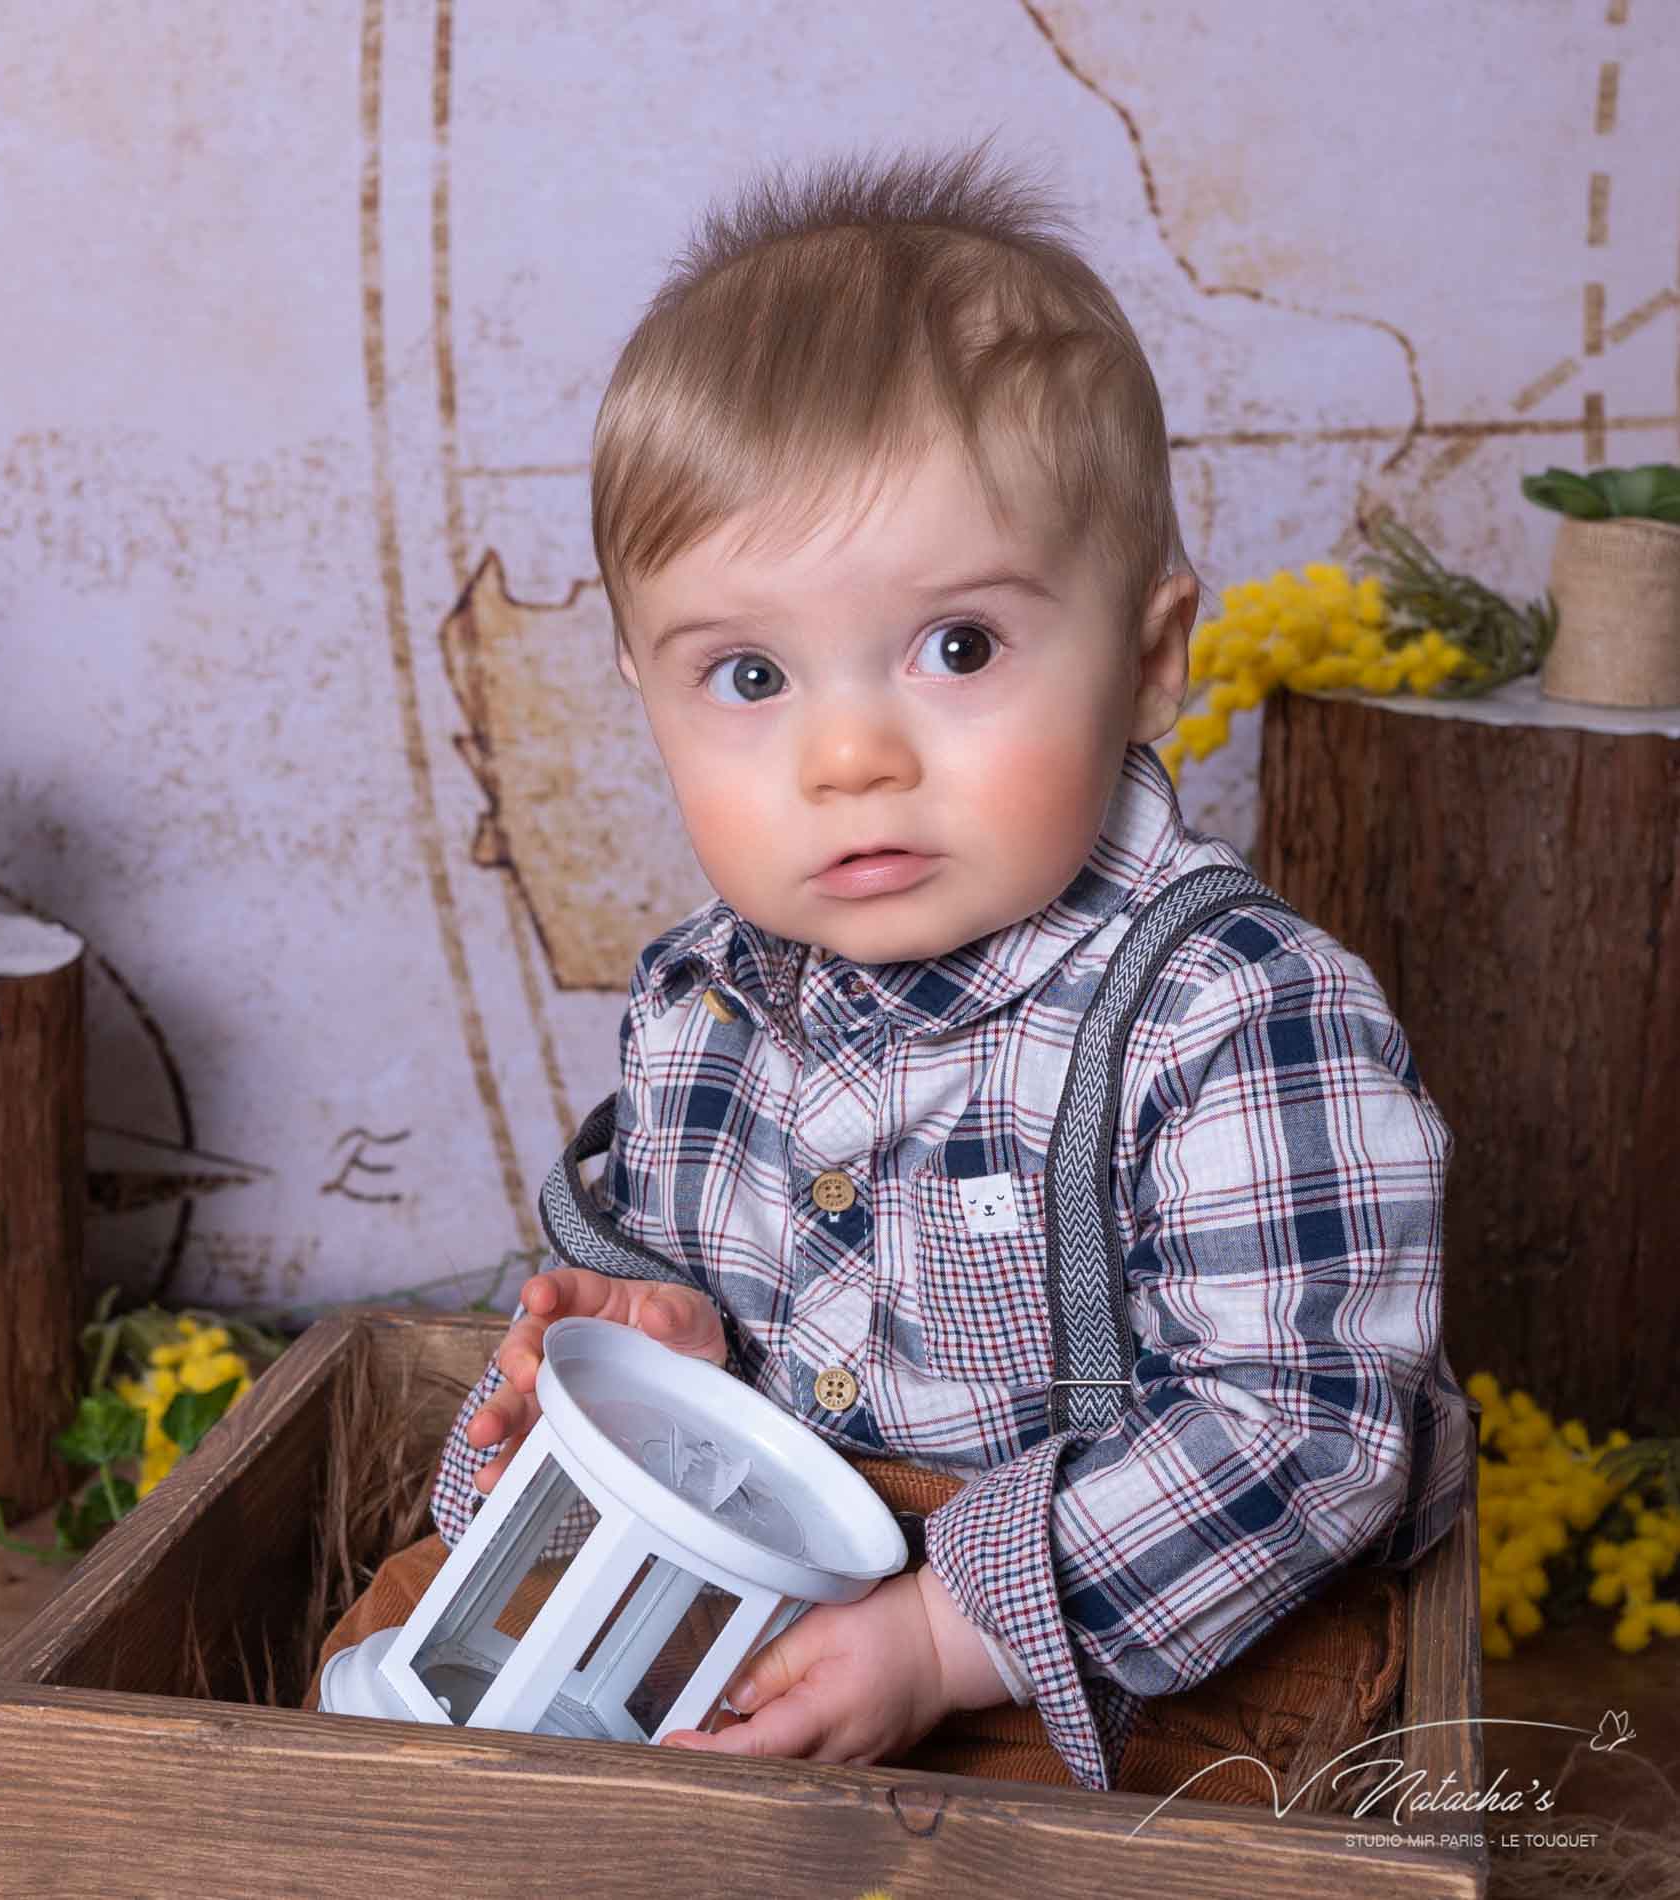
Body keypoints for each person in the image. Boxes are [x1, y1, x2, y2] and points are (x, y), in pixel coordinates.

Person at [423, 142, 1474, 1792]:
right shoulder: (702, 1003)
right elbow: (660, 1290)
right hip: (784, 1602)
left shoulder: (1235, 1014)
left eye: (959, 647)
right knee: (430, 1702)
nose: (850, 755)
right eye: (750, 673)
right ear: (642, 690)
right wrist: (638, 1342)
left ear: (1147, 657)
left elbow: (1305, 1430)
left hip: (1149, 1649)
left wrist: (947, 1638)